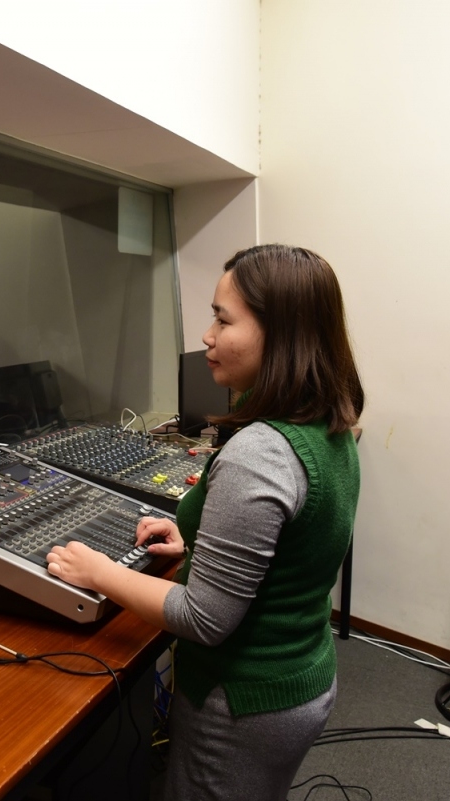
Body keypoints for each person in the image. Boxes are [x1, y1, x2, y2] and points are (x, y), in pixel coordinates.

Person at [45, 244, 365, 801]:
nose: (207, 336)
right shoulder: (331, 425)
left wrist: (97, 571)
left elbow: (205, 618)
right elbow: (291, 548)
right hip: (300, 678)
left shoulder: (260, 454)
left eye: (223, 318)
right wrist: (192, 543)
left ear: (281, 333)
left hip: (242, 704)